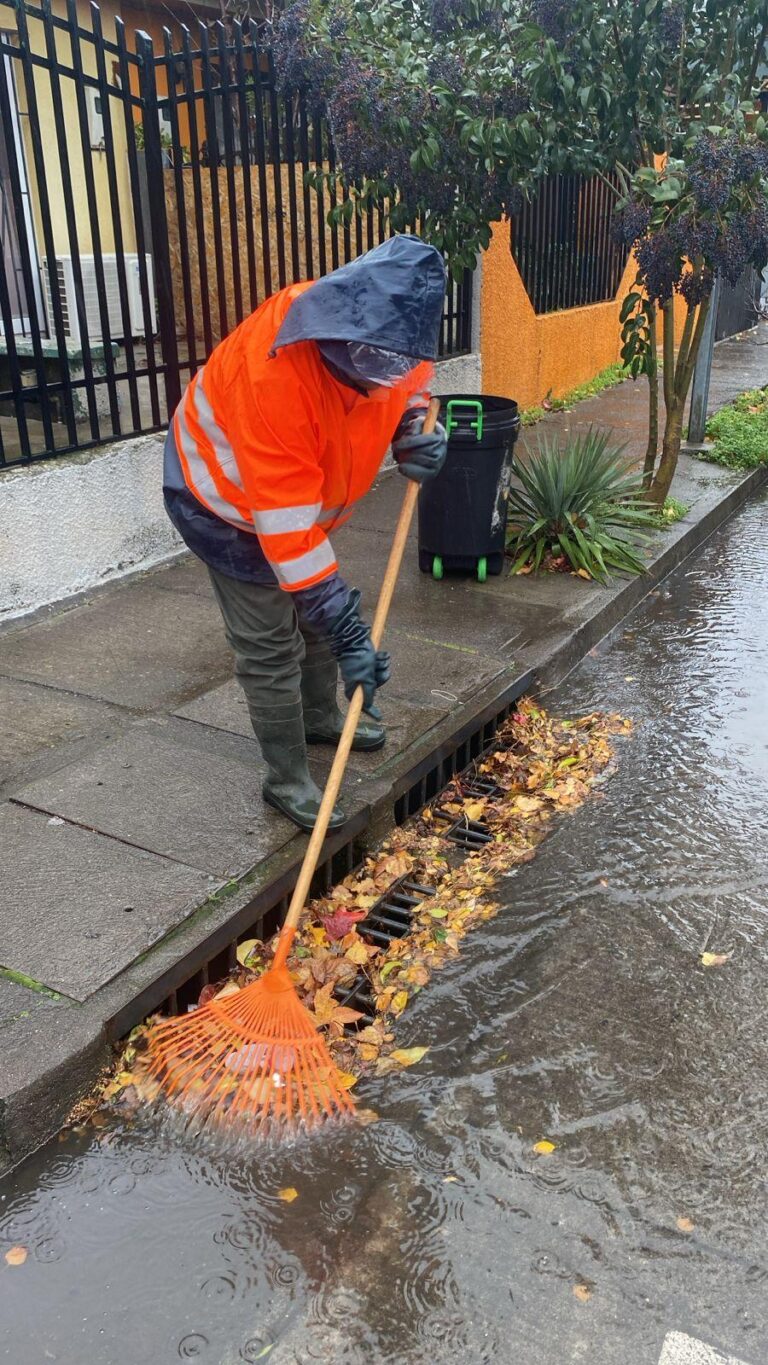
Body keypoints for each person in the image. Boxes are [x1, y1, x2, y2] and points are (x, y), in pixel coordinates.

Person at [163, 234, 448, 832]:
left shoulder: (395, 330)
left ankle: (319, 715)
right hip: (225, 505)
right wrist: (351, 635)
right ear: (338, 326)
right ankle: (286, 778)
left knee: (316, 614)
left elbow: (412, 389)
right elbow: (286, 534)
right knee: (270, 644)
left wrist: (413, 435)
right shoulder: (276, 376)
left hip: (302, 506)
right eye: (366, 367)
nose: (378, 382)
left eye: (392, 364)